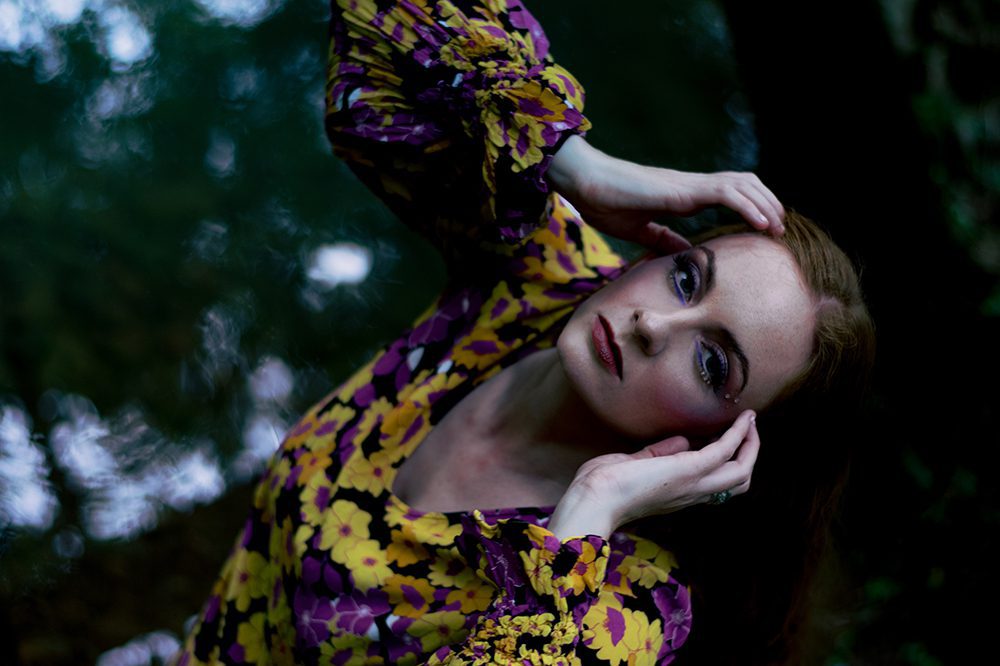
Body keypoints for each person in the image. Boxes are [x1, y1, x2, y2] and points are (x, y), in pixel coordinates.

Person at [173, 0, 876, 664]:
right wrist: (577, 163)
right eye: (687, 278)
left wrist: (590, 512)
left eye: (712, 364)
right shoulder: (540, 276)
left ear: (730, 445)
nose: (651, 323)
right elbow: (377, 17)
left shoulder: (628, 600)